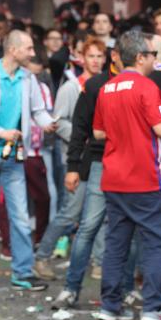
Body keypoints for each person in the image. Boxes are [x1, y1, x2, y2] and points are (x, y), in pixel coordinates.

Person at [92, 31, 161, 320]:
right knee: (155, 244)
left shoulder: (107, 88)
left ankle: (110, 305)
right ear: (141, 57)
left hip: (114, 178)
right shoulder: (146, 87)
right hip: (146, 178)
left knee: (116, 245)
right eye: (153, 55)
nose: (155, 60)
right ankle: (153, 307)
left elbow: (98, 132)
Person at [0, 30, 56, 290]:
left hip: (14, 156)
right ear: (13, 50)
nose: (32, 53)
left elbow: (38, 111)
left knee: (19, 215)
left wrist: (49, 124)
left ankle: (22, 272)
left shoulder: (29, 78)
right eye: (28, 48)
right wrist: (0, 132)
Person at [36, 37, 106, 283]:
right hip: (76, 157)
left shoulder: (105, 83)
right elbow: (58, 121)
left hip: (98, 157)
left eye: (100, 56)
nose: (96, 61)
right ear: (82, 59)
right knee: (70, 212)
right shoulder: (71, 87)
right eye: (91, 56)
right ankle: (42, 256)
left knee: (100, 212)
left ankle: (98, 262)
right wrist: (83, 138)